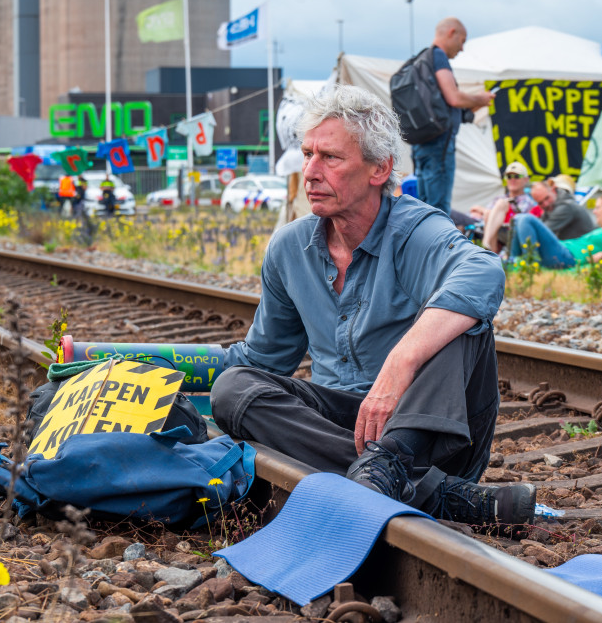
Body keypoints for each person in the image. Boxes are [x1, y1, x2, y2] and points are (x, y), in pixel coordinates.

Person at [211, 85, 536, 526]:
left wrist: (401, 361)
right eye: (307, 154)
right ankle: (429, 494)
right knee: (233, 389)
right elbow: (261, 360)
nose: (310, 171)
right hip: (341, 434)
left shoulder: (414, 229)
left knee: (466, 322)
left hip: (429, 437)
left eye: (330, 157)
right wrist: (111, 356)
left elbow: (483, 271)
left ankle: (394, 467)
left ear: (379, 169)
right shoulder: (290, 248)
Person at [411, 18, 496, 216]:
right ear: (452, 33)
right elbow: (454, 98)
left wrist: (471, 106)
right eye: (462, 40)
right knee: (438, 210)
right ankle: (435, 247)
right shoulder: (438, 57)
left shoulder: (420, 59)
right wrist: (480, 98)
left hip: (421, 143)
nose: (462, 48)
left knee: (423, 208)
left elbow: (447, 106)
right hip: (438, 147)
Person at [510, 194, 602, 268]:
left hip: (567, 256)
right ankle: (513, 261)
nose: (594, 212)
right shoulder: (601, 230)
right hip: (562, 249)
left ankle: (529, 264)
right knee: (517, 220)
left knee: (525, 218)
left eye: (597, 208)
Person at [467, 161, 537, 253]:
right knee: (482, 213)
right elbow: (486, 215)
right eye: (509, 176)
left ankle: (485, 243)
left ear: (526, 179)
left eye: (517, 176)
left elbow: (519, 221)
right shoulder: (499, 197)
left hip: (514, 234)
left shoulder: (528, 201)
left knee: (499, 204)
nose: (512, 179)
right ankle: (490, 251)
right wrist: (481, 212)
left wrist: (482, 210)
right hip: (496, 234)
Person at [527, 178, 595, 240]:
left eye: (547, 198)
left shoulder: (565, 207)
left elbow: (541, 232)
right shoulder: (554, 206)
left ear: (553, 190)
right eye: (540, 203)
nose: (545, 204)